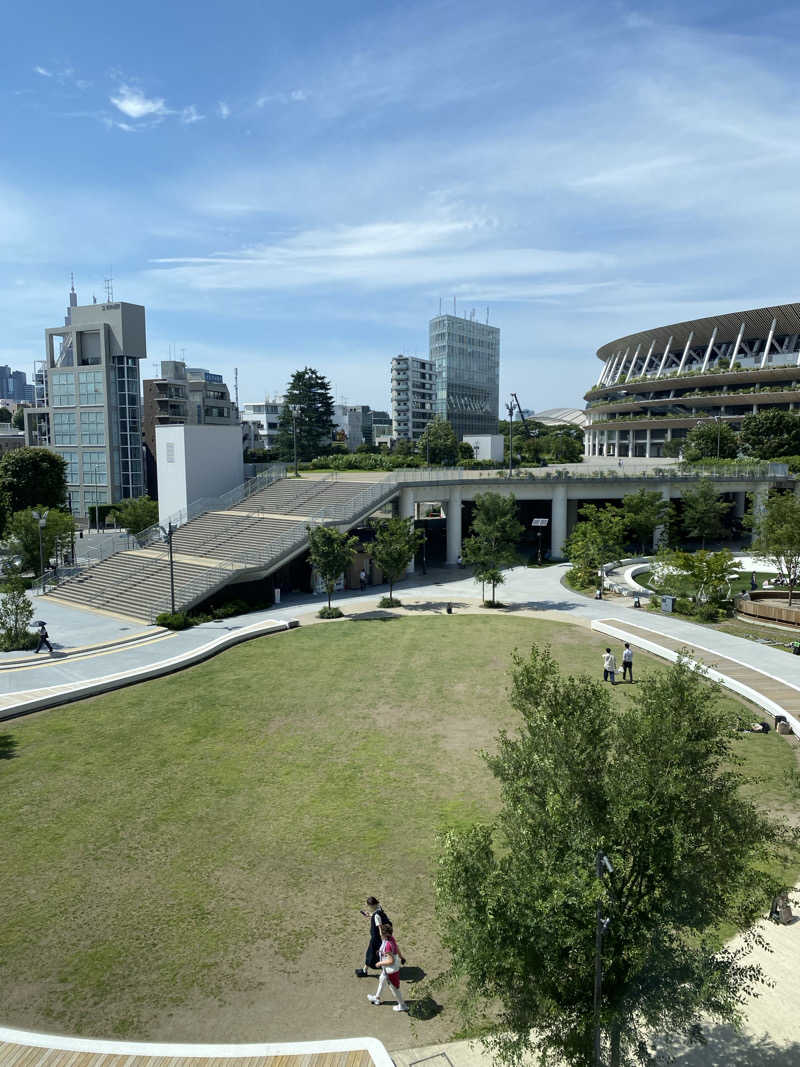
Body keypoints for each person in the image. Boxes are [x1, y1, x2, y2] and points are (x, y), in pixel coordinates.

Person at [367, 921, 408, 1012]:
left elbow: (390, 961)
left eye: (381, 932)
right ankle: (377, 998)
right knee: (382, 980)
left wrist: (379, 963)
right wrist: (401, 957)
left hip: (390, 970)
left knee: (394, 988)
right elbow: (397, 948)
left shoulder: (387, 945)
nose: (380, 933)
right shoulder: (390, 939)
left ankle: (402, 1005)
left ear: (384, 934)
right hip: (387, 970)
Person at [355, 896, 389, 978]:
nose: (368, 908)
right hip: (380, 939)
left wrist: (383, 939)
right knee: (381, 955)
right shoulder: (379, 908)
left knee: (370, 954)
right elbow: (377, 916)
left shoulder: (376, 916)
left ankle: (364, 971)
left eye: (369, 906)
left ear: (372, 905)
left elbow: (380, 928)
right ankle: (386, 969)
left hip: (376, 939)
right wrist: (370, 915)